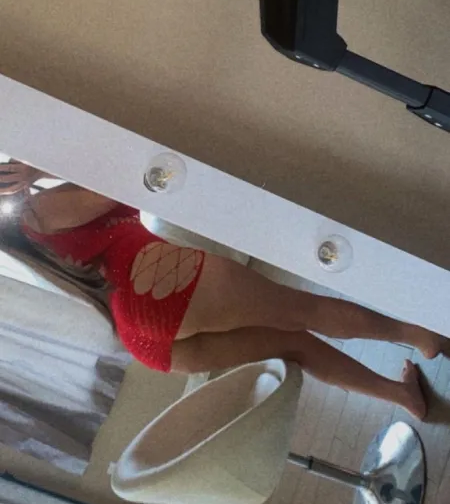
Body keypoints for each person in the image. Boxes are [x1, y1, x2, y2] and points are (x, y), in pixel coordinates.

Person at [0, 160, 445, 421]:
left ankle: (401, 396)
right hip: (158, 286)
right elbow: (121, 178)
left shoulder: (24, 239)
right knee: (302, 310)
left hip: (143, 337)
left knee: (295, 344)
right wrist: (41, 166)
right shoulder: (36, 210)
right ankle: (418, 335)